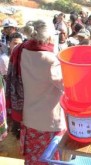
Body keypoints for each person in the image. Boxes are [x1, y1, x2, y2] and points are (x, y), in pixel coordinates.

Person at [6, 20, 66, 164]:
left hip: (28, 118)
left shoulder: (19, 50)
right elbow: (66, 86)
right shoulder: (52, 61)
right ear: (50, 37)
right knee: (49, 160)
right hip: (49, 124)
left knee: (32, 160)